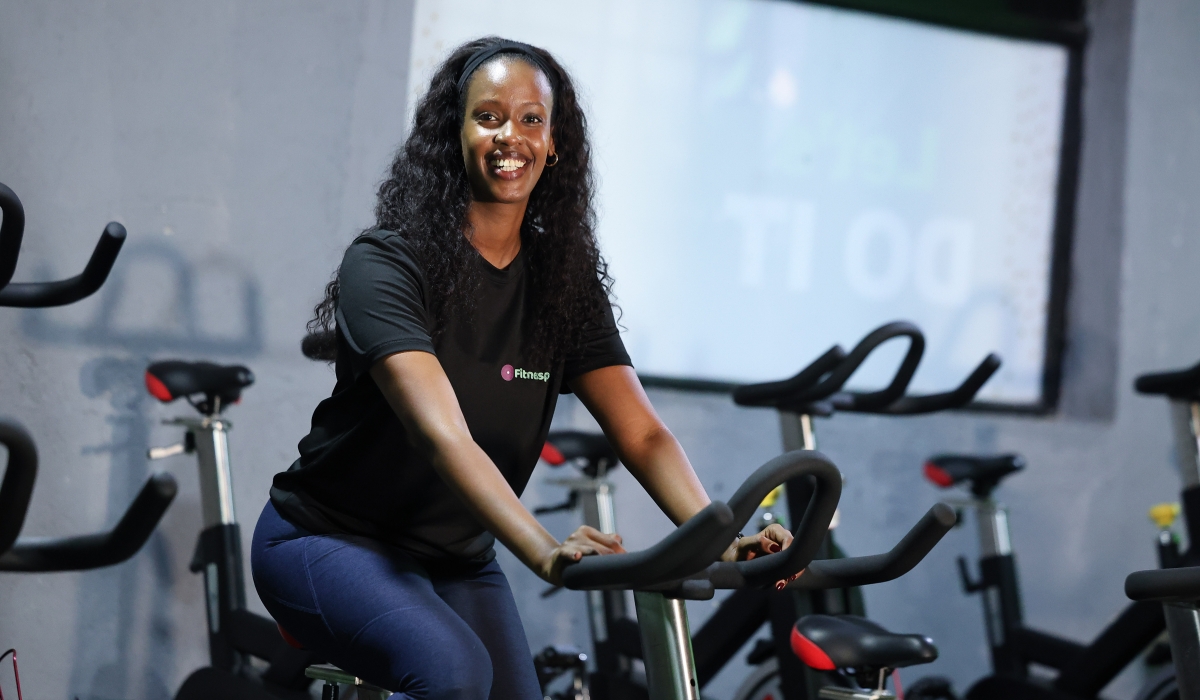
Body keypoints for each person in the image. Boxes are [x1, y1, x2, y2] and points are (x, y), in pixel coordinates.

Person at [250, 37, 793, 699]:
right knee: (454, 674)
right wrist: (546, 551)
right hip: (328, 541)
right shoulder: (387, 264)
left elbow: (642, 434)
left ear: (555, 140)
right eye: (489, 117)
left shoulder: (563, 286)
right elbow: (443, 436)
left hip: (455, 558)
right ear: (454, 134)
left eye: (532, 118)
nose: (512, 136)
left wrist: (721, 538)